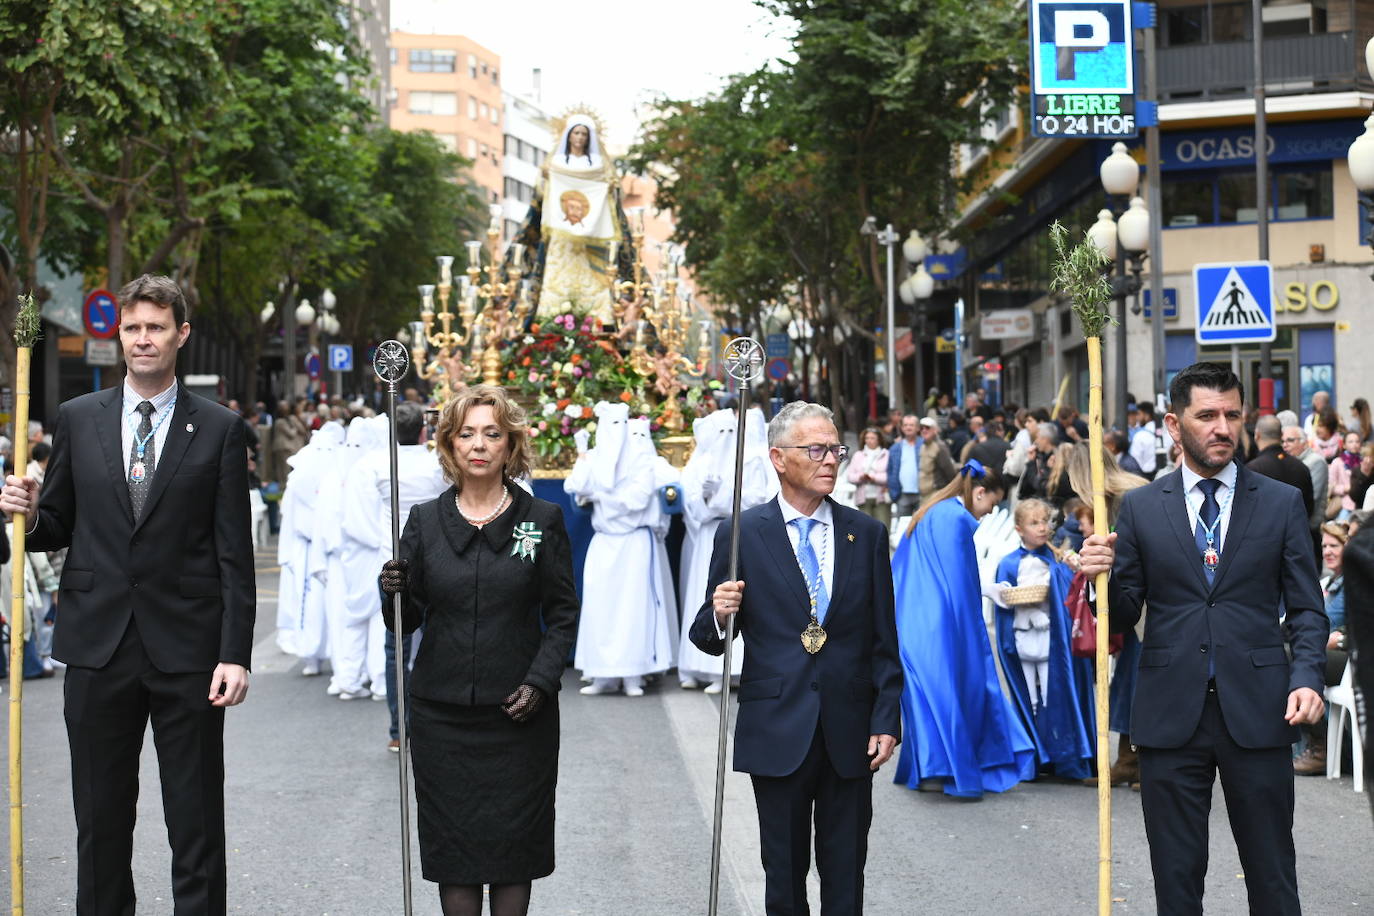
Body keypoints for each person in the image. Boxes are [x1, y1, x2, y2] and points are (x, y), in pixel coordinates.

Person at [0, 274, 255, 913]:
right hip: (97, 647)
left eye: (156, 328)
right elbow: (56, 525)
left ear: (181, 335)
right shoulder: (78, 418)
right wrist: (24, 511)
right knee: (100, 823)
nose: (143, 339)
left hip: (190, 653)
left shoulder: (220, 429)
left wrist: (235, 653)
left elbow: (234, 554)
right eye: (133, 327)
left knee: (196, 825)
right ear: (120, 335)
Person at [1078, 361, 1327, 915]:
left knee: (1273, 876)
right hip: (1170, 714)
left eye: (1232, 415)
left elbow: (1308, 608)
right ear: (1174, 424)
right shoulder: (1142, 507)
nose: (1222, 428)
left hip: (1260, 710)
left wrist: (1307, 677)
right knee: (1176, 881)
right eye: (1207, 415)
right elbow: (1122, 614)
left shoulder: (1281, 501)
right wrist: (1099, 581)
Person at [689, 401, 901, 915]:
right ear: (779, 458)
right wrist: (720, 612)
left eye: (836, 450)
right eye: (816, 449)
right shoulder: (743, 532)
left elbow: (883, 640)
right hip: (776, 725)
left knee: (845, 871)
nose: (830, 460)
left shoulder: (865, 534)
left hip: (849, 727)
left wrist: (886, 718)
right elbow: (707, 637)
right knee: (782, 874)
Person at [379, 385, 578, 916]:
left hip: (519, 716)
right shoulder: (424, 521)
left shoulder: (538, 520)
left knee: (514, 854)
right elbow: (405, 620)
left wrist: (540, 682)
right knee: (455, 855)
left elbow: (562, 614)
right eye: (466, 434)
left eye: (492, 434)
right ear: (449, 444)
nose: (479, 445)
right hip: (441, 718)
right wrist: (392, 590)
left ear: (510, 444)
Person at [892, 459, 1035, 797]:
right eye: (992, 504)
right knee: (955, 691)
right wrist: (973, 626)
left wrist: (982, 590)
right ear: (980, 492)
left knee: (928, 696)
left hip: (911, 617)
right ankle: (954, 769)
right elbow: (957, 584)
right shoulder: (955, 518)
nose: (989, 513)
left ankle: (931, 767)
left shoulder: (932, 510)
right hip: (940, 623)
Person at [343, 403, 447, 747]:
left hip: (393, 559)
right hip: (433, 558)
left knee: (396, 650)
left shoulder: (374, 464)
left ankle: (399, 731)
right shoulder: (437, 462)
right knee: (437, 643)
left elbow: (359, 517)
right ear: (423, 430)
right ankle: (434, 725)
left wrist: (382, 546)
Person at [566, 402, 676, 696]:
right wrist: (582, 455)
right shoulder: (595, 458)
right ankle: (602, 675)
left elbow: (636, 500)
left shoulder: (640, 460)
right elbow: (576, 487)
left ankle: (632, 674)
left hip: (633, 542)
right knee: (601, 609)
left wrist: (600, 496)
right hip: (604, 541)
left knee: (633, 609)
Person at [988, 498, 1095, 779]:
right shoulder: (1009, 563)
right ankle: (1033, 757)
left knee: (1055, 695)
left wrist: (1073, 570)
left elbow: (1069, 596)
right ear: (1019, 529)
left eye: (1044, 522)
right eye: (1034, 523)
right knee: (1030, 698)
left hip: (1053, 639)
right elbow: (1003, 602)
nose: (1041, 528)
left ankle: (1063, 756)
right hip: (1023, 638)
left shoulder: (1058, 560)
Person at [677, 406, 776, 692]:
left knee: (732, 596)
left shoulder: (751, 461)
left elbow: (756, 500)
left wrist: (723, 498)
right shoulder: (701, 463)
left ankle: (732, 670)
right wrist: (705, 498)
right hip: (707, 534)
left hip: (737, 533)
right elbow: (691, 505)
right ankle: (698, 666)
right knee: (706, 597)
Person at [1293, 520, 1351, 777]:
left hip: (1352, 660)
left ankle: (1323, 745)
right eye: (1324, 546)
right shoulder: (1328, 582)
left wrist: (1342, 640)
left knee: (1289, 657)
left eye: (1334, 546)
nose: (1327, 551)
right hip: (1327, 650)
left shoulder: (1355, 582)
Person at [1249, 417, 1315, 521]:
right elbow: (1308, 507)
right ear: (1281, 435)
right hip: (1296, 527)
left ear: (1257, 435)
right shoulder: (1301, 468)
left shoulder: (1252, 470)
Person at [846, 426, 891, 527]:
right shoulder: (858, 455)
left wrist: (874, 478)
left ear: (879, 439)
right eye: (867, 438)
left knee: (882, 526)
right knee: (865, 527)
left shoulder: (886, 454)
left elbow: (890, 476)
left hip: (882, 497)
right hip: (863, 498)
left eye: (872, 438)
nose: (869, 441)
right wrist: (860, 477)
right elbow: (850, 476)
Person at [886, 414, 922, 517]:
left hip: (922, 494)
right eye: (905, 425)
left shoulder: (924, 445)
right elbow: (890, 471)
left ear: (918, 428)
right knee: (903, 524)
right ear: (902, 428)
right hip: (902, 494)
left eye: (911, 425)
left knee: (923, 523)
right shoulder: (895, 448)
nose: (908, 427)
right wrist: (893, 492)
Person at [916, 417, 956, 505]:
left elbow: (950, 472)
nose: (924, 430)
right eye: (921, 428)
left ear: (935, 430)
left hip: (936, 493)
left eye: (927, 428)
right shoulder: (923, 446)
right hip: (924, 494)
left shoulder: (940, 447)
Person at [1327, 431, 1363, 520]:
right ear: (1344, 445)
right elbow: (1330, 487)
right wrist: (1345, 488)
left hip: (1360, 504)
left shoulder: (1363, 462)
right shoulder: (1337, 462)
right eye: (1351, 442)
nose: (1354, 444)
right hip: (1343, 505)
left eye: (1357, 441)